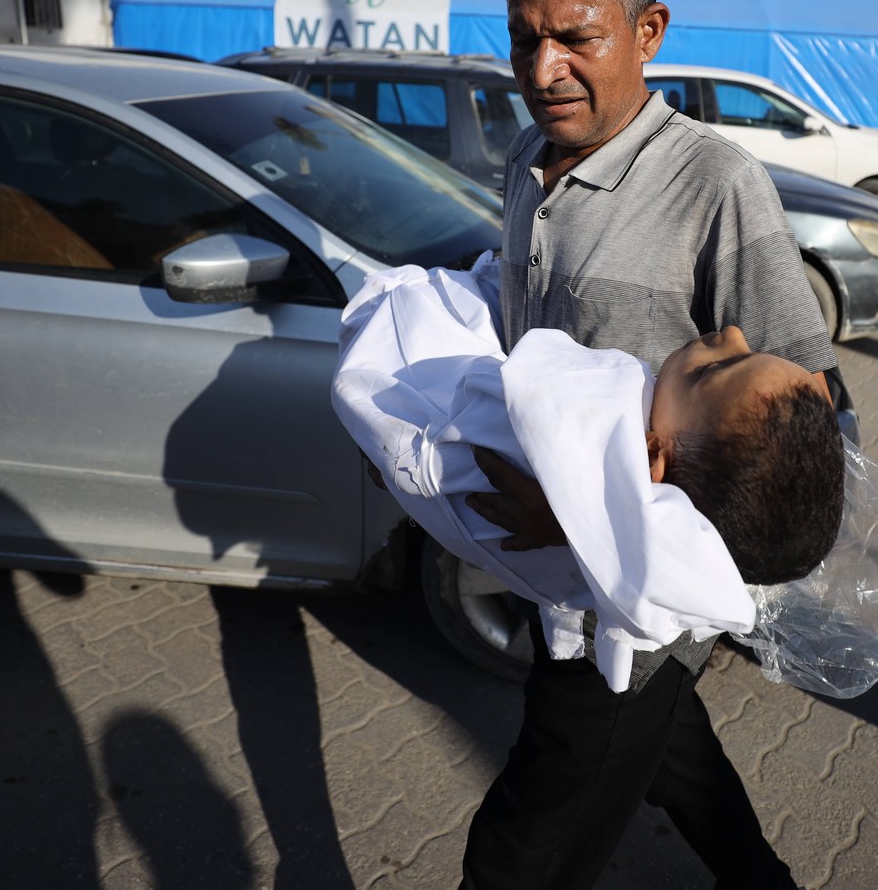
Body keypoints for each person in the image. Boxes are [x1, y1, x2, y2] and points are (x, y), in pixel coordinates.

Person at [459, 0, 837, 890]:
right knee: (677, 757)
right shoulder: (528, 162)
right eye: (524, 38)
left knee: (517, 853)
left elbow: (806, 418)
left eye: (576, 38)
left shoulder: (717, 185)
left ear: (648, 30)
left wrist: (587, 514)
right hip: (552, 584)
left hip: (625, 613)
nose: (543, 70)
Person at [332, 259, 844, 689]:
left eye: (714, 370)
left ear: (651, 457)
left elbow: (399, 381)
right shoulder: (649, 521)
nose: (732, 332)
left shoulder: (562, 430)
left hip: (601, 674)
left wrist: (575, 513)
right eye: (750, 350)